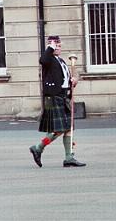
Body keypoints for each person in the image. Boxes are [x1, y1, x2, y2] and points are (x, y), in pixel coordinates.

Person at [29, 35, 86, 168]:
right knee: (59, 129)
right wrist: (50, 47)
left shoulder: (61, 61)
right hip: (53, 97)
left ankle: (69, 157)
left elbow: (65, 80)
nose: (58, 48)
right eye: (55, 46)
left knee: (69, 128)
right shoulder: (48, 59)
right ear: (50, 46)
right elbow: (42, 60)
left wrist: (73, 81)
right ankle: (38, 148)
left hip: (63, 96)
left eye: (59, 45)